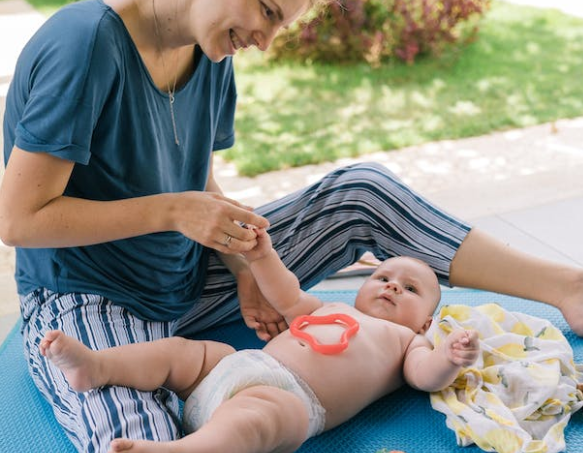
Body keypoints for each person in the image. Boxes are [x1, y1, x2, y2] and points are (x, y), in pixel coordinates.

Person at [1, 0, 582, 450]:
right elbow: (18, 219)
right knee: (148, 438)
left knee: (362, 190)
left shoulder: (209, 52)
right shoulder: (85, 44)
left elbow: (195, 178)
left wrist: (243, 262)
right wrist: (174, 211)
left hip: (185, 275)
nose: (265, 41)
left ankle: (565, 286)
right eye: (269, 13)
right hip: (91, 295)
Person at [40, 230, 480, 453]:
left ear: (425, 322)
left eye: (411, 289)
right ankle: (97, 366)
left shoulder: (408, 341)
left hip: (294, 400)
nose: (392, 287)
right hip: (238, 366)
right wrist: (261, 256)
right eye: (383, 277)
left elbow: (425, 377)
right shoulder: (327, 308)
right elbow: (284, 292)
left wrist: (449, 356)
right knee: (185, 353)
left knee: (256, 421)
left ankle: (184, 449)